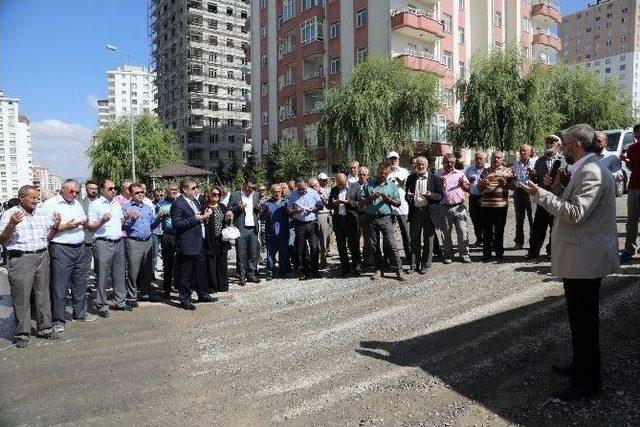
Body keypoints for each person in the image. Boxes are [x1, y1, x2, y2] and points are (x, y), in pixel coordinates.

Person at [520, 123, 618, 400]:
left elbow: (575, 213)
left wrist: (541, 195)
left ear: (576, 146)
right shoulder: (586, 169)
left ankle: (587, 384)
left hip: (586, 261)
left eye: (564, 145)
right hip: (582, 258)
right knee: (579, 321)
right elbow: (574, 203)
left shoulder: (591, 171)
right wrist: (558, 187)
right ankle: (580, 367)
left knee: (585, 323)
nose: (562, 149)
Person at [0, 185, 60, 348]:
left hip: (41, 255)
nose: (36, 200)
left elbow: (48, 237)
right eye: (32, 197)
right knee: (22, 296)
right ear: (21, 198)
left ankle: (45, 328)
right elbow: (3, 240)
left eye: (37, 197)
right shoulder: (9, 214)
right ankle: (22, 333)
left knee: (43, 293)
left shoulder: (42, 213)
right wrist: (12, 224)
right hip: (20, 258)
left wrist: (55, 226)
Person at [43, 179, 96, 332]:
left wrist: (85, 223)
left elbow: (82, 222)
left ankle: (80, 313)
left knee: (80, 283)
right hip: (60, 248)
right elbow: (46, 229)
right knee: (60, 286)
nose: (74, 194)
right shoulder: (50, 204)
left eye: (77, 192)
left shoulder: (76, 204)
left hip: (79, 248)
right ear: (62, 188)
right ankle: (58, 319)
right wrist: (65, 226)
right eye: (71, 191)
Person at [171, 178, 217, 310]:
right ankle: (184, 299)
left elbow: (199, 217)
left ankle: (203, 293)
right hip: (187, 244)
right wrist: (195, 219)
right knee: (186, 274)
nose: (196, 190)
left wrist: (205, 216)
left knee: (201, 271)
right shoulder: (178, 204)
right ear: (185, 190)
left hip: (198, 241)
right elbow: (177, 224)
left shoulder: (195, 201)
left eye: (196, 187)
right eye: (193, 188)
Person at [87, 179, 129, 317]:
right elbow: (91, 227)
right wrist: (102, 221)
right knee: (103, 275)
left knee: (119, 273)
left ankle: (120, 301)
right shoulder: (95, 205)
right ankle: (101, 305)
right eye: (110, 188)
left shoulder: (116, 204)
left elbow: (119, 222)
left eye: (114, 188)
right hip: (103, 243)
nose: (113, 190)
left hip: (118, 241)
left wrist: (126, 218)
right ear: (102, 190)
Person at [360, 162, 405, 281]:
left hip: (386, 218)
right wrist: (371, 198)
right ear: (377, 171)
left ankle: (399, 270)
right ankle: (378, 269)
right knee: (374, 246)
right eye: (381, 172)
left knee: (391, 244)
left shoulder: (392, 185)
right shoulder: (368, 185)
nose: (383, 174)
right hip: (371, 218)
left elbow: (398, 202)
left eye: (386, 173)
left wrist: (387, 199)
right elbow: (361, 202)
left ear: (388, 173)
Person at [527, 135, 566, 260]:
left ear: (558, 145)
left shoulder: (564, 160)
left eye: (552, 142)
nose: (549, 144)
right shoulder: (539, 161)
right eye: (547, 142)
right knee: (538, 226)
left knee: (555, 226)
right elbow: (536, 180)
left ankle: (552, 251)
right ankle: (534, 251)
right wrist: (533, 176)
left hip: (557, 198)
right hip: (543, 198)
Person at [122, 183, 157, 304]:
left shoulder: (147, 207)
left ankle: (145, 293)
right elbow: (122, 226)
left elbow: (152, 225)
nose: (141, 194)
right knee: (133, 270)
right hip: (134, 242)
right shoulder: (126, 207)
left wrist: (159, 218)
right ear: (131, 194)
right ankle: (132, 297)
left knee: (147, 269)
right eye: (137, 192)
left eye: (142, 192)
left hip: (148, 241)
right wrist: (131, 219)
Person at [434, 153, 471, 264]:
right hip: (443, 207)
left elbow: (468, 188)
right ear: (443, 162)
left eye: (452, 162)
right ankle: (448, 254)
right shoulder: (437, 175)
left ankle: (464, 254)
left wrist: (463, 185)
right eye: (447, 162)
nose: (449, 164)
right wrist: (440, 186)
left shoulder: (460, 174)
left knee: (463, 232)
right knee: (445, 234)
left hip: (459, 207)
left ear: (454, 163)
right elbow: (433, 192)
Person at [406, 156, 440, 274]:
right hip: (415, 211)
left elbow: (441, 196)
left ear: (427, 166)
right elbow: (407, 194)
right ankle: (414, 264)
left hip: (428, 212)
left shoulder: (435, 178)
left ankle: (425, 264)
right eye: (418, 164)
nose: (420, 167)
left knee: (428, 239)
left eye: (422, 165)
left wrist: (431, 195)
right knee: (414, 238)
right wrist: (408, 196)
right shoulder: (411, 178)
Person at [479, 151, 515, 262]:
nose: (496, 159)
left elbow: (514, 186)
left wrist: (505, 183)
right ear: (491, 158)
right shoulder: (485, 171)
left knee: (499, 230)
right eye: (494, 157)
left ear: (502, 159)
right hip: (486, 205)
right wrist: (482, 185)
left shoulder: (508, 171)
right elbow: (480, 188)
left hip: (501, 205)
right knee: (487, 230)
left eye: (498, 158)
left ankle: (499, 254)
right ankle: (486, 254)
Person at [287, 178, 323, 280]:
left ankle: (315, 271)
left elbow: (320, 205)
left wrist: (313, 208)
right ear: (297, 187)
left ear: (306, 185)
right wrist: (296, 210)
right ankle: (304, 271)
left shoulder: (313, 192)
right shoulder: (293, 195)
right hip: (299, 224)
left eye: (303, 189)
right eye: (299, 189)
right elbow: (289, 210)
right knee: (301, 249)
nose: (302, 191)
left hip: (312, 223)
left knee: (314, 247)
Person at [228, 178, 262, 286]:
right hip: (241, 227)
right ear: (244, 185)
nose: (250, 190)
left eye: (253, 188)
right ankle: (241, 276)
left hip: (253, 228)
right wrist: (238, 208)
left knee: (253, 253)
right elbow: (229, 209)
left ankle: (251, 274)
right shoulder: (235, 195)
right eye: (249, 187)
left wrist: (258, 208)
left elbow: (259, 210)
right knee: (241, 253)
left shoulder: (256, 195)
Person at [203, 186, 233, 292]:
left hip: (222, 239)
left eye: (218, 194)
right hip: (210, 238)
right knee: (211, 263)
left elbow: (226, 221)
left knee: (222, 263)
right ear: (210, 195)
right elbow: (203, 223)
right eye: (214, 194)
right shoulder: (204, 207)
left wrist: (228, 217)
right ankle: (212, 286)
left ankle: (223, 286)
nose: (216, 196)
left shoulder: (222, 206)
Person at [329, 173, 360, 276]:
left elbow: (359, 203)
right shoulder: (334, 190)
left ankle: (356, 265)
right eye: (338, 183)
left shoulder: (355, 187)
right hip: (338, 221)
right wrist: (333, 203)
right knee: (341, 245)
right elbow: (329, 205)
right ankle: (345, 267)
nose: (340, 185)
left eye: (342, 183)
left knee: (353, 244)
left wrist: (347, 202)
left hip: (350, 220)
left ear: (346, 180)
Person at [262, 184, 290, 280]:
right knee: (270, 255)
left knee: (283, 254)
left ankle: (283, 272)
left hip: (283, 233)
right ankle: (270, 273)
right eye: (275, 191)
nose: (277, 193)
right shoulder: (266, 204)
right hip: (271, 233)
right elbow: (262, 218)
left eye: (279, 191)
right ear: (272, 192)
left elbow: (290, 216)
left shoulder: (286, 202)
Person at [620, 124, 640, 261]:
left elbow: (632, 165)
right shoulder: (632, 148)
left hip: (635, 186)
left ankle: (630, 248)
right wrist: (626, 160)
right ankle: (630, 248)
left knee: (632, 219)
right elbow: (631, 166)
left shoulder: (632, 148)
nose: (636, 135)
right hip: (634, 186)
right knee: (632, 219)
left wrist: (626, 160)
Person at [156, 183, 179, 299]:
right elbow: (157, 219)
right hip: (168, 235)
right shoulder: (161, 204)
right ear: (167, 191)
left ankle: (180, 286)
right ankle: (166, 288)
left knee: (180, 262)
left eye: (176, 189)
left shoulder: (181, 202)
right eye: (172, 190)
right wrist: (162, 215)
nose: (174, 191)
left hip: (180, 234)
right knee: (168, 263)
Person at [512, 144, 536, 250]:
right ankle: (519, 241)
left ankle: (533, 242)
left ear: (530, 152)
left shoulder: (535, 162)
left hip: (530, 192)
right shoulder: (515, 165)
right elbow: (513, 178)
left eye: (525, 151)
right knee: (519, 218)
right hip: (518, 192)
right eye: (521, 150)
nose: (522, 153)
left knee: (532, 218)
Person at [349, 166, 373, 267]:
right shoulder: (353, 186)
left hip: (368, 215)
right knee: (356, 238)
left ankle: (367, 258)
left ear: (367, 175)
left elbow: (372, 199)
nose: (361, 176)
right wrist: (359, 203)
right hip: (356, 215)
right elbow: (350, 200)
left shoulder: (371, 185)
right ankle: (357, 260)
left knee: (368, 238)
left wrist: (365, 202)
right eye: (360, 174)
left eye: (364, 174)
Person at [464, 152, 487, 247]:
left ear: (485, 159)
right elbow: (464, 182)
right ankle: (479, 239)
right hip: (473, 198)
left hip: (485, 198)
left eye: (481, 158)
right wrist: (467, 182)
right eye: (477, 158)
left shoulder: (488, 169)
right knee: (475, 219)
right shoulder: (469, 169)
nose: (479, 160)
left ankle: (488, 240)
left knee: (486, 219)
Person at [81, 181, 99, 284]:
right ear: (86, 190)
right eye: (91, 188)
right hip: (87, 238)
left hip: (100, 238)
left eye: (95, 189)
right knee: (86, 264)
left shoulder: (102, 203)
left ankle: (99, 281)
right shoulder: (81, 204)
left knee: (100, 263)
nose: (93, 190)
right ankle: (86, 283)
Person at [391, 177, 412, 265]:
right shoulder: (387, 173)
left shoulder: (405, 172)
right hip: (390, 210)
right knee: (389, 237)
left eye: (395, 161)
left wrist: (403, 184)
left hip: (403, 209)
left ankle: (410, 259)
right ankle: (390, 259)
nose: (393, 161)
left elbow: (410, 189)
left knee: (407, 236)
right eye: (391, 161)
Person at [313, 173, 332, 268]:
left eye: (326, 180)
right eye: (323, 180)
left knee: (325, 239)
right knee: (315, 241)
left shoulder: (328, 190)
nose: (325, 182)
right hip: (315, 216)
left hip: (325, 215)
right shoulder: (312, 191)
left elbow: (329, 203)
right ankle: (316, 262)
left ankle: (323, 261)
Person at [151, 188, 165, 273]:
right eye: (157, 195)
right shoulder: (151, 205)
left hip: (163, 231)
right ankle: (152, 271)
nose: (159, 197)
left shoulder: (165, 204)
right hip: (155, 232)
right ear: (154, 196)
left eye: (161, 195)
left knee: (165, 253)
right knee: (154, 253)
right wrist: (157, 215)